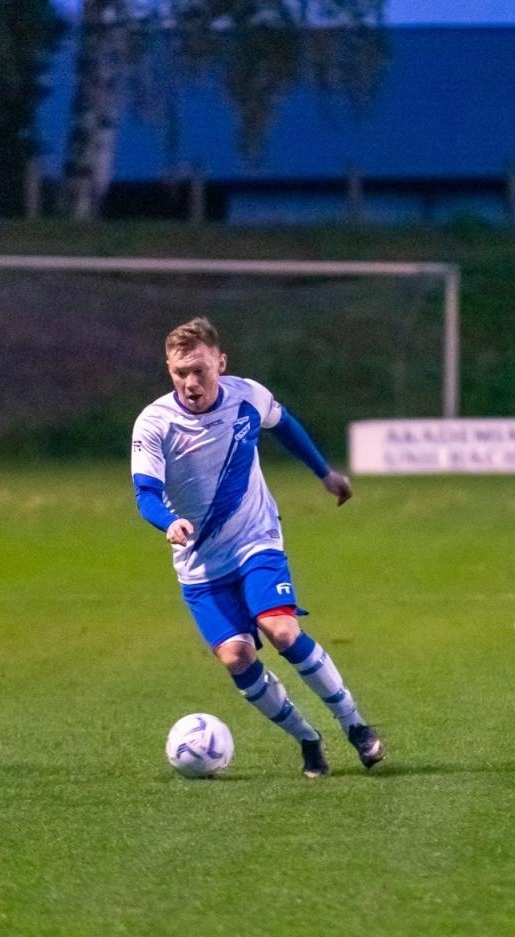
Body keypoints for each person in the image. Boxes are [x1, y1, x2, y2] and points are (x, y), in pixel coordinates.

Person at [131, 317, 384, 777]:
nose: (190, 382)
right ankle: (309, 740)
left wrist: (324, 473)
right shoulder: (155, 424)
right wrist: (169, 523)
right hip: (200, 564)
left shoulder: (247, 395)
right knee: (236, 656)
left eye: (200, 371)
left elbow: (284, 424)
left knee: (282, 630)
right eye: (179, 373)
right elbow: (145, 492)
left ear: (220, 364)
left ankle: (356, 727)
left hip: (255, 539)